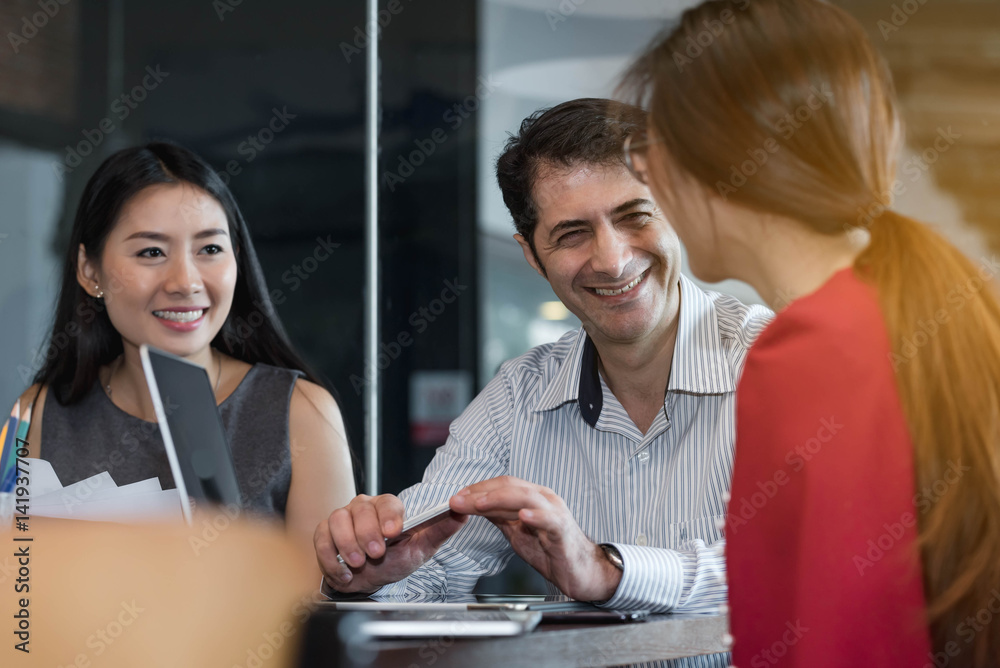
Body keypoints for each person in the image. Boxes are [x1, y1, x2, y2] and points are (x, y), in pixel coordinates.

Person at [622, 0, 1000, 666]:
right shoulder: (911, 307)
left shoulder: (811, 351)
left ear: (714, 154)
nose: (645, 172)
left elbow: (837, 644)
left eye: (646, 147)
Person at [315, 98, 771, 645]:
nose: (612, 259)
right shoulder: (518, 396)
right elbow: (433, 572)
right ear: (532, 255)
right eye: (573, 233)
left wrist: (608, 571)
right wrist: (375, 578)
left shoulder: (771, 359)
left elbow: (807, 566)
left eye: (635, 216)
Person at [17, 142, 356, 579]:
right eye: (151, 252)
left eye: (209, 249)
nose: (185, 281)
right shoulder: (38, 414)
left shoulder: (302, 414)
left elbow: (321, 622)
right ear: (90, 271)